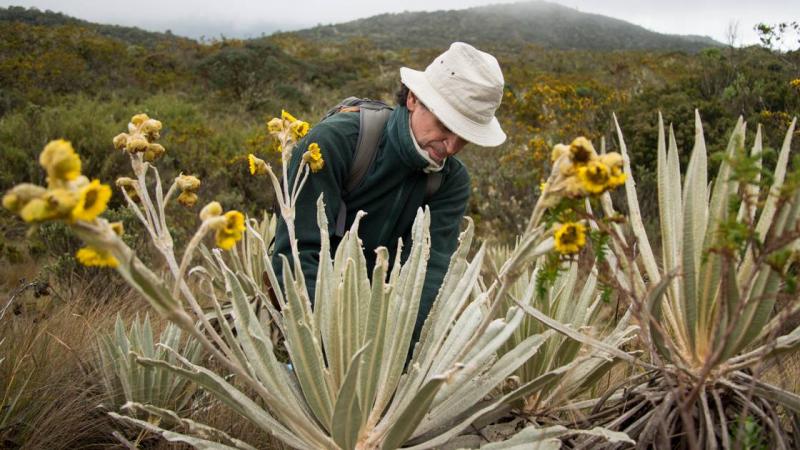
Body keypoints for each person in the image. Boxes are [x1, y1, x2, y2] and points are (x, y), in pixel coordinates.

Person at [272, 42, 506, 343]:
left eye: (466, 137)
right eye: (445, 125)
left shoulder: (451, 182)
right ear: (412, 98)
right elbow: (297, 252)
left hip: (384, 334)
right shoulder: (337, 141)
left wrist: (393, 364)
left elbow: (429, 276)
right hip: (310, 323)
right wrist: (331, 347)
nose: (450, 147)